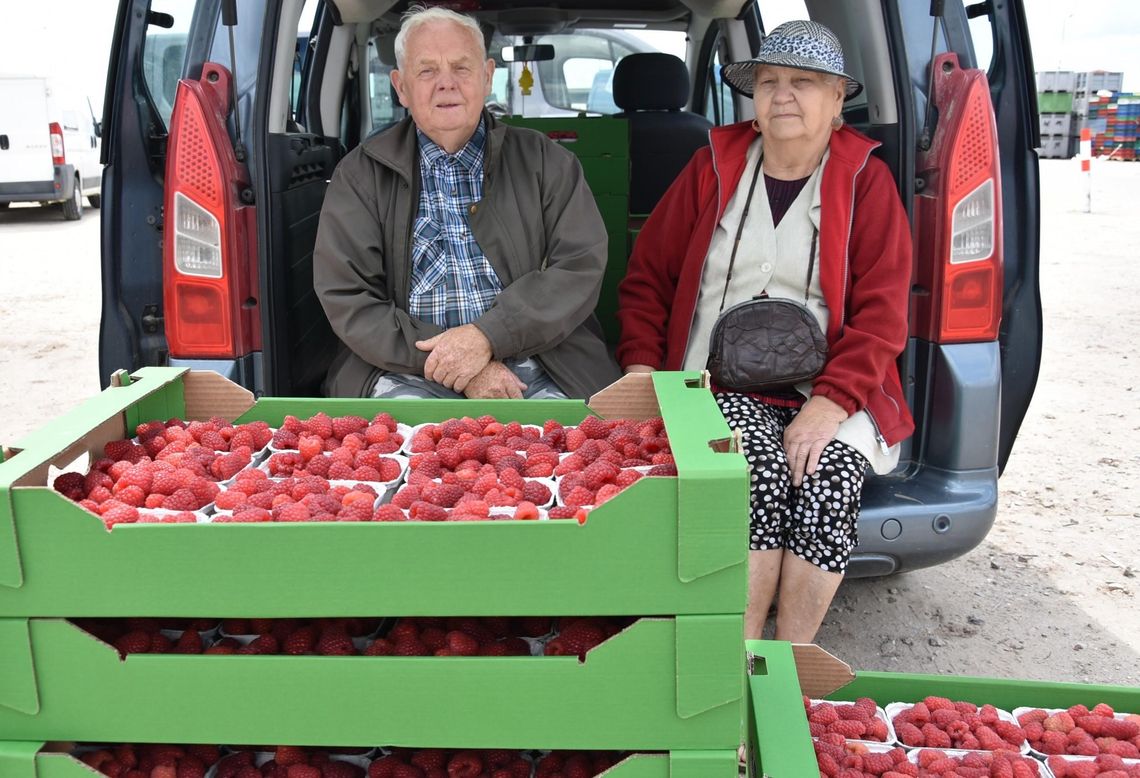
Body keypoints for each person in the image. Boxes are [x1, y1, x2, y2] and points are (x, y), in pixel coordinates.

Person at [617, 20, 914, 642]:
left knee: (830, 477)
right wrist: (644, 363)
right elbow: (648, 277)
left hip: (830, 386)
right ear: (751, 102)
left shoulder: (867, 181)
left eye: (803, 83)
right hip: (717, 381)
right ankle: (740, 655)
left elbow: (883, 313)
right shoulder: (710, 167)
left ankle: (789, 660)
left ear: (837, 102)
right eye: (770, 82)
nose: (783, 95)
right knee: (753, 472)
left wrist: (830, 405)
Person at [314, 5, 619, 400]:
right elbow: (348, 296)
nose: (447, 84)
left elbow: (579, 267)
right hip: (405, 367)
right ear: (401, 87)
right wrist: (455, 363)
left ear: (487, 76)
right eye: (427, 70)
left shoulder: (546, 161)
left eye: (462, 67)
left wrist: (487, 338)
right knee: (418, 454)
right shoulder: (360, 174)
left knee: (553, 456)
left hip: (542, 361)